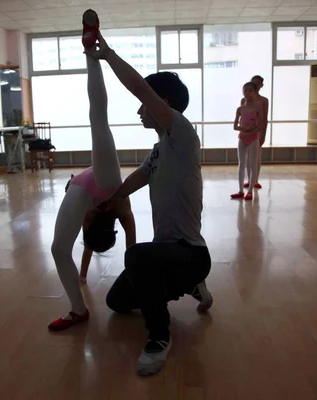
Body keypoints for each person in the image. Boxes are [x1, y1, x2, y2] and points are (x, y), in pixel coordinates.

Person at [84, 11, 213, 377]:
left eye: (147, 104)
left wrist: (106, 54)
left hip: (190, 253)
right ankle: (188, 286)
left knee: (137, 258)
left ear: (163, 104)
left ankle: (159, 337)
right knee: (116, 301)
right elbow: (138, 178)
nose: (140, 109)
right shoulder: (159, 150)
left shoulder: (183, 136)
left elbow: (140, 88)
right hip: (170, 254)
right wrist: (110, 203)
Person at [48, 10, 136, 332]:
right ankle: (90, 49)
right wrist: (132, 270)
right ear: (95, 219)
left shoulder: (87, 213)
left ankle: (77, 310)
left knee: (58, 249)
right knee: (98, 120)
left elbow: (73, 245)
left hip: (83, 187)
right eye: (86, 223)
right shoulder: (121, 206)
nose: (82, 222)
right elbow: (133, 243)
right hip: (106, 181)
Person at [231, 82, 265, 201]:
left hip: (253, 139)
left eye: (250, 91)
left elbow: (260, 125)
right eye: (245, 90)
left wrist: (250, 132)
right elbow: (235, 126)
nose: (248, 93)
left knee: (252, 164)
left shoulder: (257, 108)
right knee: (241, 164)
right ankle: (240, 190)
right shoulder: (240, 109)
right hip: (242, 138)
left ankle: (250, 191)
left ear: (255, 93)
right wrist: (244, 129)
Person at [240, 75, 269, 189]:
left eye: (257, 84)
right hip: (246, 131)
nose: (255, 85)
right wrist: (243, 131)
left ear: (261, 86)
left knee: (256, 156)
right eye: (253, 83)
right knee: (246, 157)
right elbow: (242, 117)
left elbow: (264, 119)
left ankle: (255, 179)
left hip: (257, 131)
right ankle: (249, 179)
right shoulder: (244, 100)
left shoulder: (263, 100)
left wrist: (263, 134)